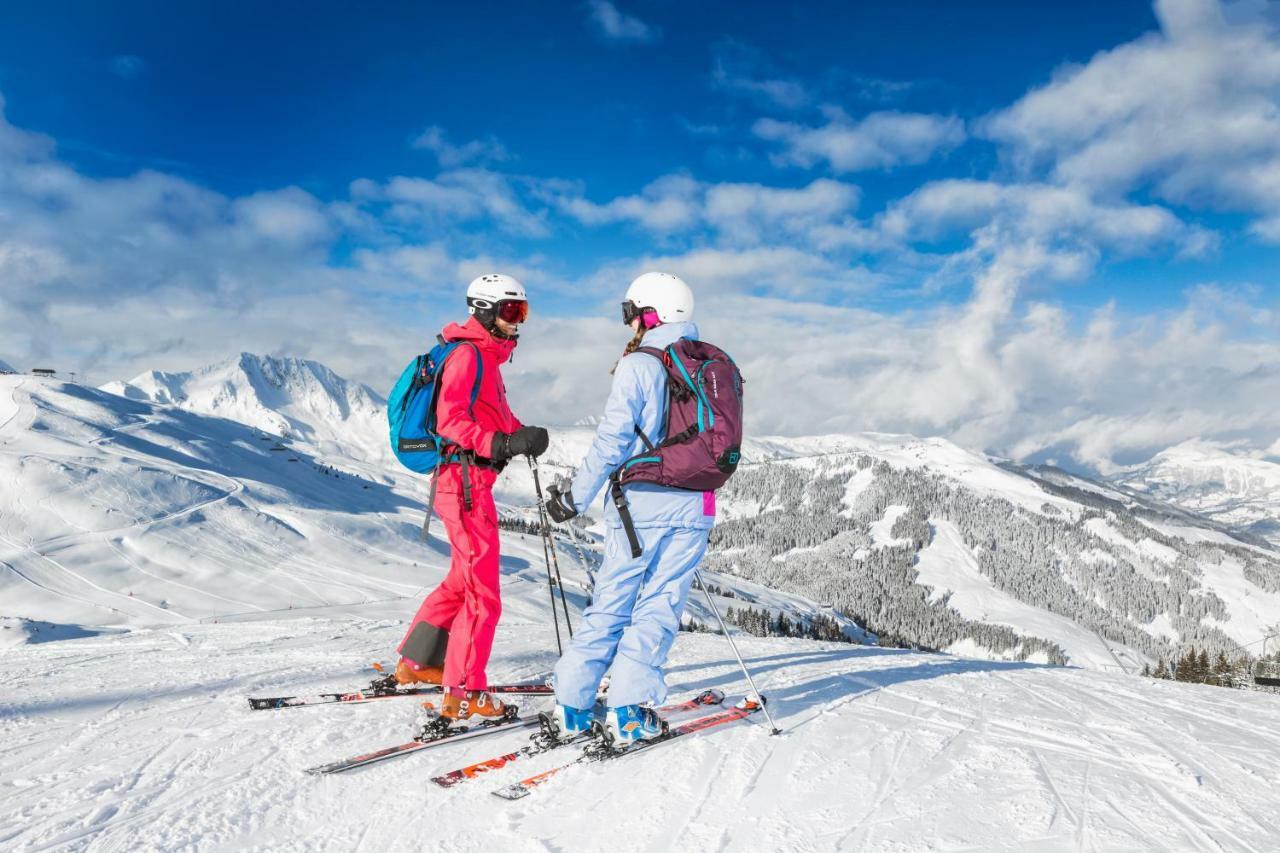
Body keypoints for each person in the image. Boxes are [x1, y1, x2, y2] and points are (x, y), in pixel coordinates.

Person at [543, 271, 714, 745]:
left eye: (632, 314)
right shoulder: (708, 364)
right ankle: (629, 710)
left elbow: (612, 442)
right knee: (660, 605)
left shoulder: (640, 365)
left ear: (649, 313)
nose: (630, 324)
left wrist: (574, 499)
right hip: (696, 504)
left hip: (639, 506)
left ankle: (573, 706)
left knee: (612, 604)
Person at [394, 273, 549, 722]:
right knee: (484, 594)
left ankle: (416, 663)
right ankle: (464, 690)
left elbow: (494, 416)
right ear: (484, 310)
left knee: (462, 583)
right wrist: (500, 446)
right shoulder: (466, 356)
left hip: (464, 483)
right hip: (463, 485)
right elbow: (451, 423)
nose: (517, 322)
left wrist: (520, 435)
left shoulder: (485, 359)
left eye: (522, 311)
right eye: (510, 311)